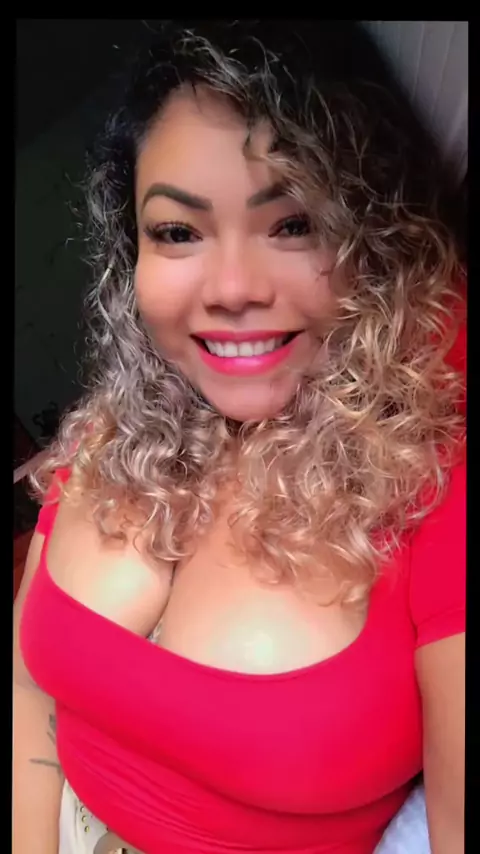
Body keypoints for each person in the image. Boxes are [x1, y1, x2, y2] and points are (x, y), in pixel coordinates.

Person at [13, 19, 466, 854]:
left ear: (376, 239)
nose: (229, 289)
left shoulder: (437, 470)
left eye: (293, 223)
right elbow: (28, 691)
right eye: (177, 231)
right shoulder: (113, 427)